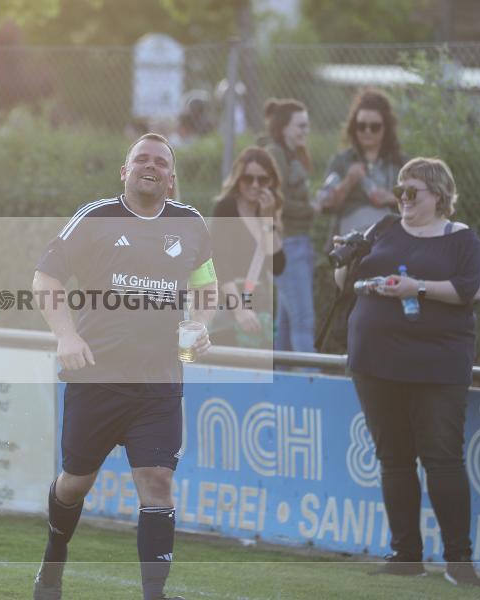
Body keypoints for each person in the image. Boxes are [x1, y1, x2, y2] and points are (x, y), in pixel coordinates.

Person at [31, 133, 216, 600]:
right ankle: (54, 559)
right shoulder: (96, 218)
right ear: (125, 171)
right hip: (96, 378)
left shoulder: (190, 224)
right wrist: (66, 334)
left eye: (159, 161)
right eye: (141, 159)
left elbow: (207, 284)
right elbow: (45, 277)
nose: (149, 166)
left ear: (171, 178)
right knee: (76, 484)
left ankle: (154, 595)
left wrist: (199, 324)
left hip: (158, 382)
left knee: (157, 483)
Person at [334, 157, 480, 586]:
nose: (402, 200)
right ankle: (406, 555)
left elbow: (470, 289)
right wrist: (346, 255)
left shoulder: (461, 238)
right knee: (394, 460)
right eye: (400, 192)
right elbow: (343, 284)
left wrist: (415, 287)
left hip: (437, 364)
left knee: (441, 458)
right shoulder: (382, 230)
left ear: (438, 195)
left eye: (412, 193)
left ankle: (459, 561)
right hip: (375, 360)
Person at [317, 89, 407, 350]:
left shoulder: (399, 163)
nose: (367, 131)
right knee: (350, 308)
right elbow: (327, 203)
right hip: (350, 252)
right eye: (361, 125)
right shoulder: (342, 161)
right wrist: (349, 181)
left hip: (389, 248)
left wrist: (390, 196)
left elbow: (418, 199)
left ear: (385, 128)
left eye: (374, 126)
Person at [210, 146, 285, 348]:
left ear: (271, 182)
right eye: (248, 179)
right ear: (238, 179)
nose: (255, 185)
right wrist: (240, 309)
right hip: (229, 305)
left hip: (259, 309)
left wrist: (268, 220)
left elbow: (277, 265)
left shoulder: (267, 211)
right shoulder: (226, 208)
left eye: (262, 180)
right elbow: (219, 262)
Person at [261, 98, 315, 353]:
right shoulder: (275, 153)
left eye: (306, 126)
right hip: (287, 244)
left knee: (285, 324)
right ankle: (310, 384)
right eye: (300, 126)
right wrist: (312, 208)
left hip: (298, 243)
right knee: (304, 321)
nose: (305, 131)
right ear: (284, 128)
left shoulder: (294, 155)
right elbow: (276, 200)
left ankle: (276, 380)